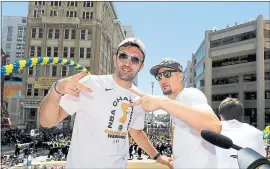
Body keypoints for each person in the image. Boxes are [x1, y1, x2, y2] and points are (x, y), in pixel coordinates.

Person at [39, 38, 173, 169]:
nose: (127, 63)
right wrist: (56, 89)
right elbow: (47, 122)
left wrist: (157, 156)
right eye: (123, 56)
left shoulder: (139, 97)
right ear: (115, 59)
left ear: (141, 67)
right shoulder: (90, 84)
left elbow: (136, 132)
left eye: (135, 59)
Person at [128, 58, 222, 168]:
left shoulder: (189, 94)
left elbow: (214, 126)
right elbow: (135, 132)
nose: (162, 79)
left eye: (167, 74)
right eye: (159, 76)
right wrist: (159, 156)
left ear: (181, 76)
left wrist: (161, 102)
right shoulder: (175, 103)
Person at [216, 98, 266, 168]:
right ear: (241, 116)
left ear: (221, 117)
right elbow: (261, 157)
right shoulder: (257, 133)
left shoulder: (214, 131)